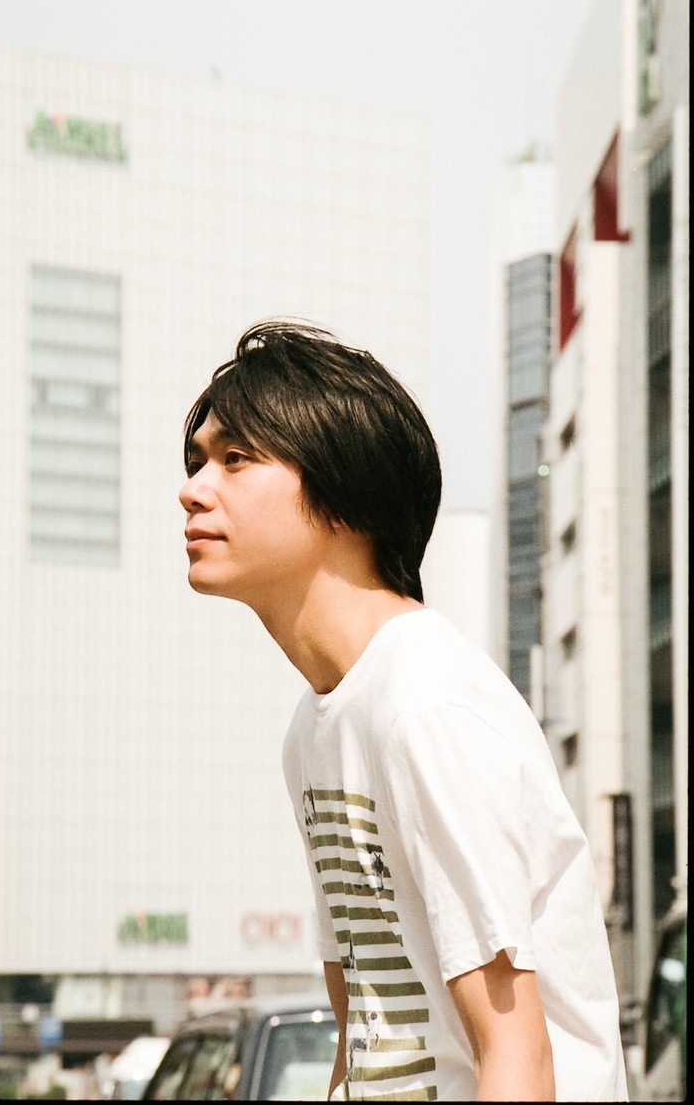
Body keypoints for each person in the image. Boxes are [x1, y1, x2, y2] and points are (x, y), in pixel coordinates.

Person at [179, 319, 628, 1102]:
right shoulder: (316, 726)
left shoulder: (429, 706)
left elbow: (516, 1055)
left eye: (236, 458)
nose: (193, 488)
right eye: (197, 461)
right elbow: (363, 1029)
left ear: (343, 492)